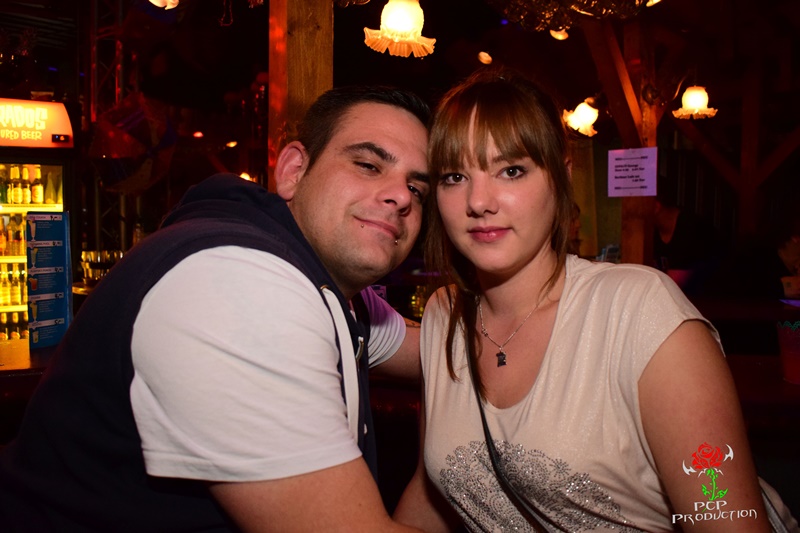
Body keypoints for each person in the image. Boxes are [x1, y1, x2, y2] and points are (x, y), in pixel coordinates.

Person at [0, 86, 432, 532]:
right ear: (294, 170)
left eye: (417, 188)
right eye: (368, 165)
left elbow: (432, 350)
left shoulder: (326, 287)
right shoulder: (240, 283)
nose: (401, 196)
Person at [393, 68, 797, 532]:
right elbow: (434, 492)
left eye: (511, 170)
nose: (479, 201)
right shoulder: (444, 315)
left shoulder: (639, 312)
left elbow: (724, 520)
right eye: (454, 176)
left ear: (561, 176)